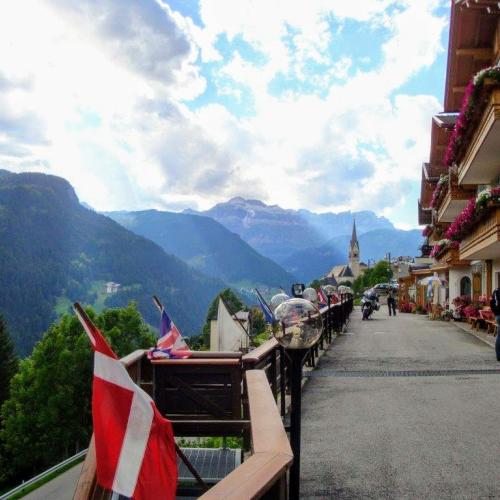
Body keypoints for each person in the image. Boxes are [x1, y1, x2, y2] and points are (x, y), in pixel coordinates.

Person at [490, 287, 500, 361]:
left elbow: (491, 302)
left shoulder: (496, 290)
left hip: (498, 315)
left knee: (499, 336)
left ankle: (498, 356)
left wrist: (495, 313)